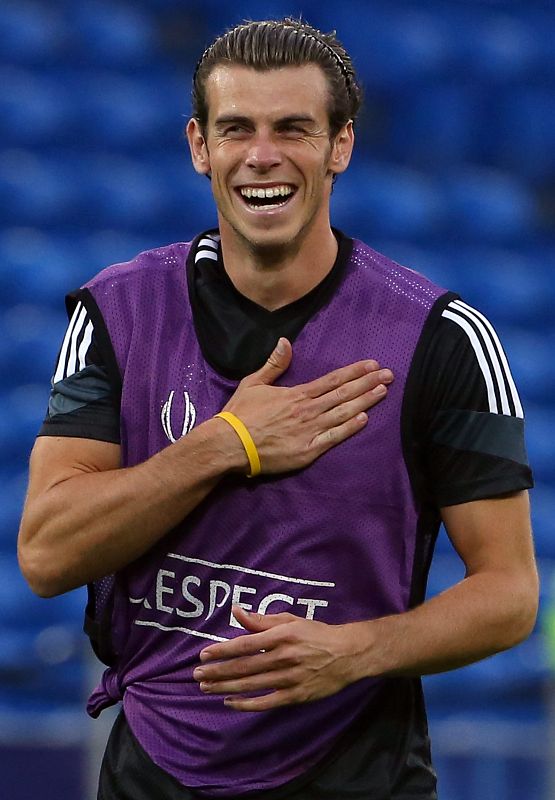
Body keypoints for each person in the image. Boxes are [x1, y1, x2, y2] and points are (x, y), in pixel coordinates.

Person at [18, 18, 538, 800]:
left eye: (293, 128)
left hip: (357, 773)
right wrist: (225, 443)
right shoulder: (119, 312)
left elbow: (508, 593)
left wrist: (354, 651)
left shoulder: (442, 339)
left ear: (340, 146)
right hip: (151, 772)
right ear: (199, 146)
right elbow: (47, 555)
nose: (262, 155)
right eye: (237, 129)